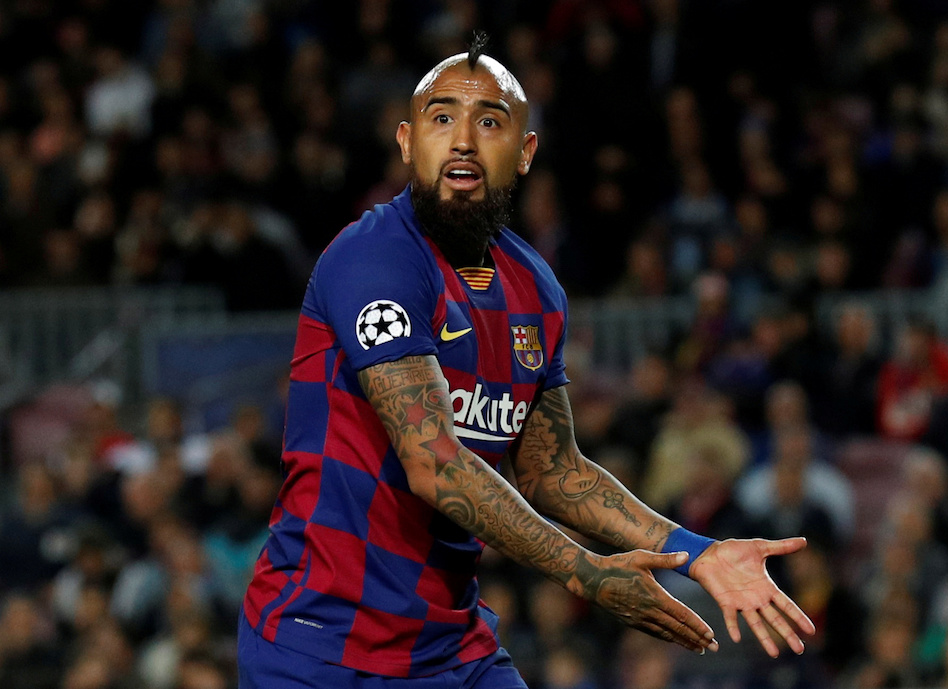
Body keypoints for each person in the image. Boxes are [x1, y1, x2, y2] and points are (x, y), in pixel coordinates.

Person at [238, 35, 815, 689]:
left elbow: (552, 469)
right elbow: (435, 463)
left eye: (489, 121)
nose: (462, 139)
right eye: (441, 117)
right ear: (406, 143)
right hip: (321, 648)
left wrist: (698, 552)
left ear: (525, 152)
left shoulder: (535, 287)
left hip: (453, 650)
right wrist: (584, 570)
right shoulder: (373, 258)